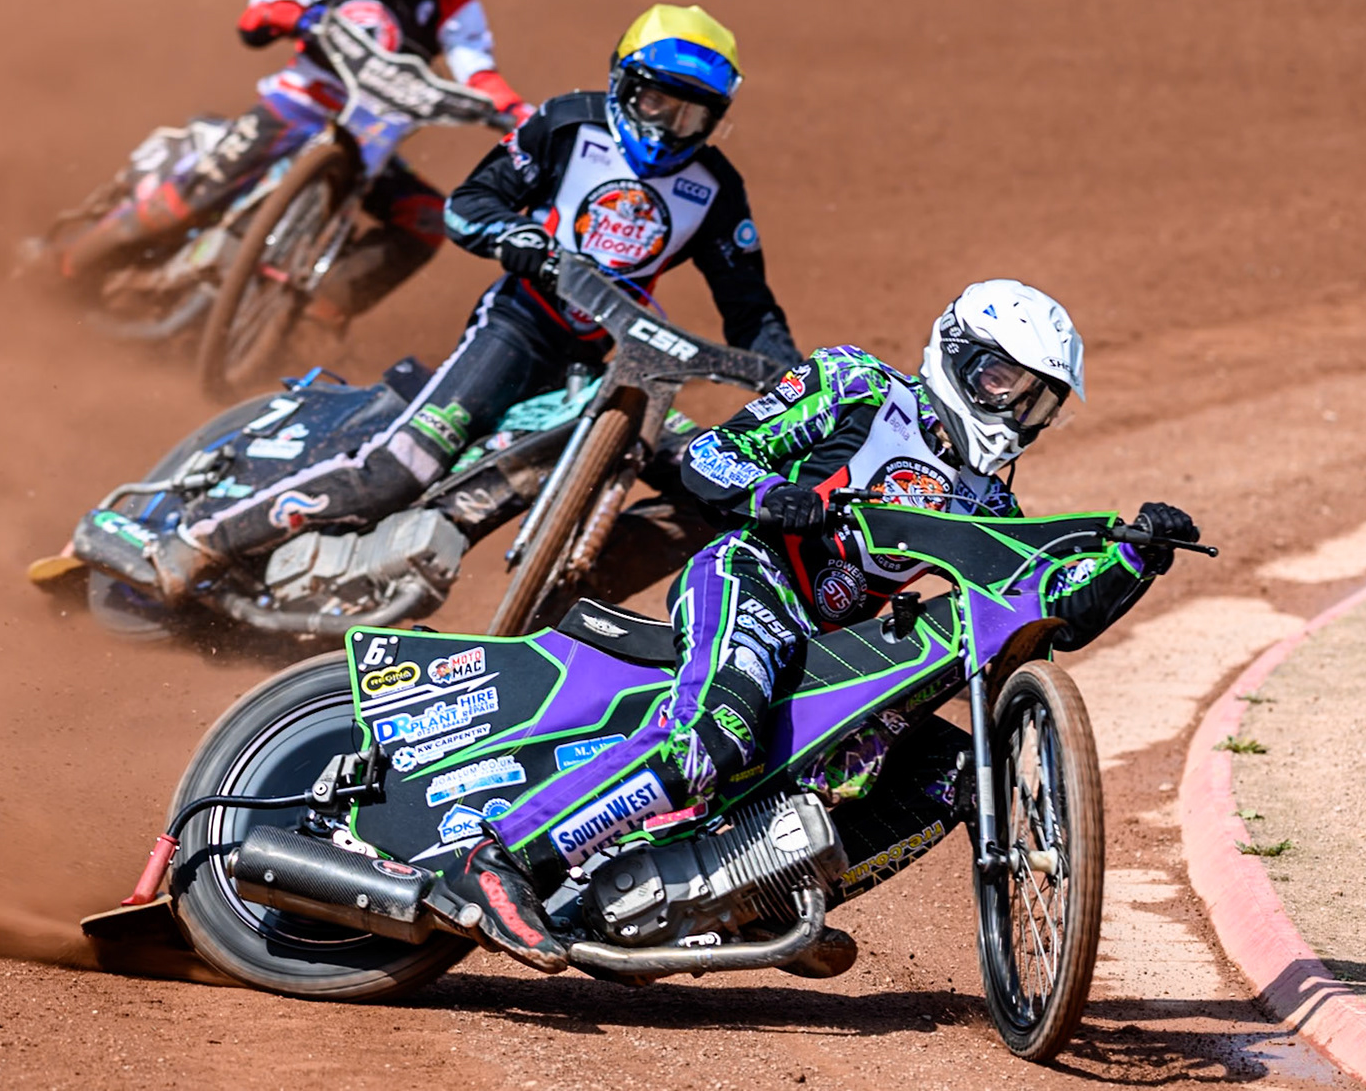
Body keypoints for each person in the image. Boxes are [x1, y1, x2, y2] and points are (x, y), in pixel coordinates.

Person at [439, 278, 1201, 972]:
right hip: (751, 575)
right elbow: (714, 453)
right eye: (1003, 381)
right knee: (714, 735)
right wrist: (776, 496)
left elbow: (1045, 608)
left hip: (835, 646)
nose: (1014, 411)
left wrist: (1136, 557)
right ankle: (503, 858)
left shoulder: (988, 504)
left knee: (958, 772)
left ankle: (756, 901)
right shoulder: (856, 385)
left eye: (1036, 400)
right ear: (958, 356)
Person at [116, 3, 801, 602]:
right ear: (625, 84)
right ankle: (197, 542)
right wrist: (521, 239)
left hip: (607, 363)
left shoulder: (715, 190)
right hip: (518, 325)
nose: (670, 127)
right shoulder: (567, 125)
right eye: (658, 102)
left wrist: (798, 388)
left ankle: (570, 608)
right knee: (400, 470)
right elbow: (470, 206)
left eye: (693, 113)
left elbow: (752, 310)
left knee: (718, 486)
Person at [57, 0, 531, 323]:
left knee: (428, 217)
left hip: (371, 141)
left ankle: (317, 315)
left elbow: (478, 70)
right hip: (296, 106)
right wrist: (294, 19)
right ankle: (69, 267)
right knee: (186, 201)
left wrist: (517, 114)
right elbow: (259, 13)